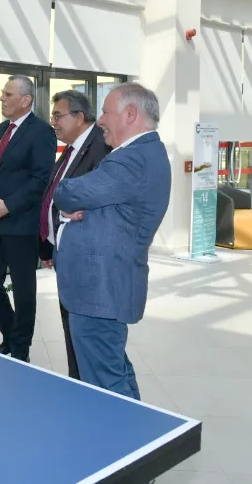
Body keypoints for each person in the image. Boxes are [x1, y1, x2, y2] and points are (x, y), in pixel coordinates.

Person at [52, 83, 170, 400]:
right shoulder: (140, 154)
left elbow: (67, 191)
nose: (100, 120)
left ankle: (121, 430)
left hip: (100, 289)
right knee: (113, 370)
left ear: (130, 114)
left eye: (105, 112)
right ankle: (137, 427)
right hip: (104, 287)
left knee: (105, 384)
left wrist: (66, 196)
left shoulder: (132, 159)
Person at [0, 76, 57, 362]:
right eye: (2, 93)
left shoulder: (42, 132)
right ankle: (12, 336)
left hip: (22, 224)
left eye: (8, 94)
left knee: (24, 291)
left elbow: (41, 180)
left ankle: (20, 349)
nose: (1, 98)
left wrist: (7, 207)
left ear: (26, 100)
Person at [38, 89, 111, 380]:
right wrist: (48, 244)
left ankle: (87, 387)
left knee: (86, 334)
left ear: (79, 117)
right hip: (65, 251)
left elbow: (100, 199)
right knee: (71, 326)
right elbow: (54, 198)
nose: (53, 122)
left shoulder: (101, 147)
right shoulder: (70, 150)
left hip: (87, 256)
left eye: (58, 115)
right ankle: (77, 382)